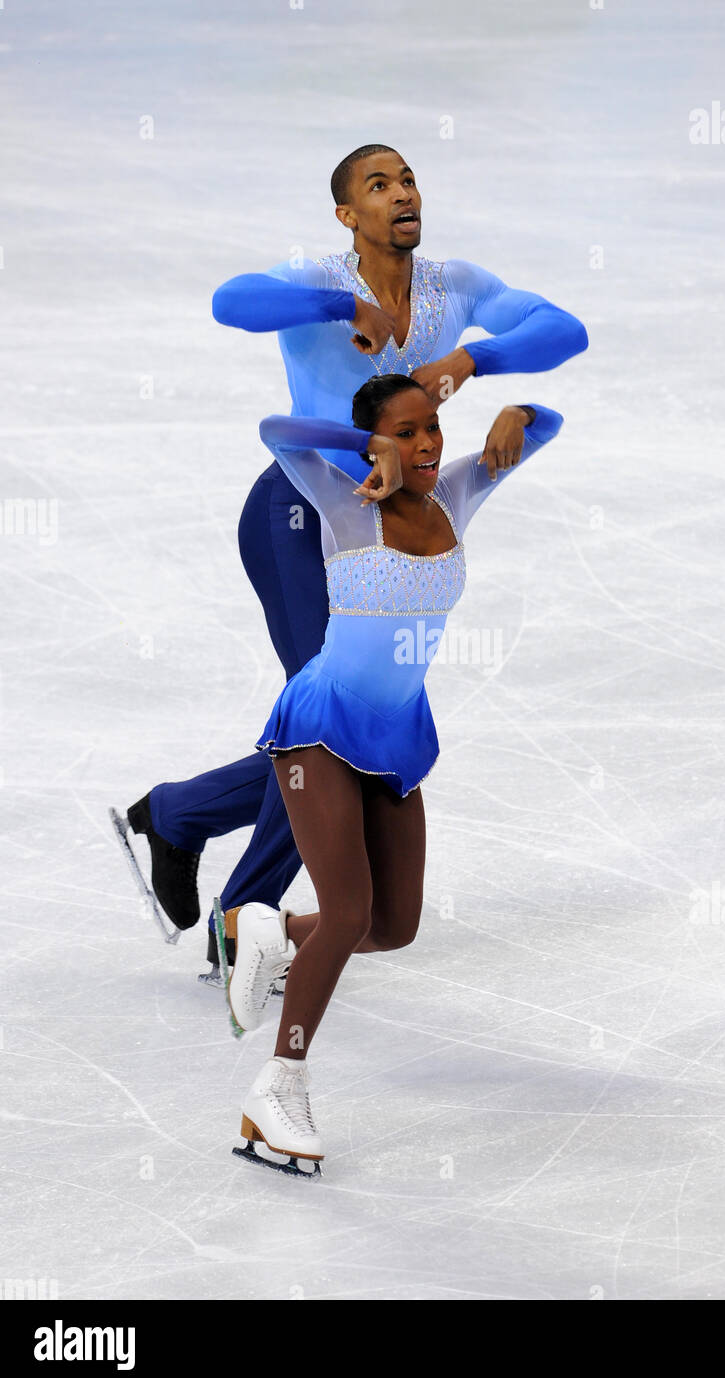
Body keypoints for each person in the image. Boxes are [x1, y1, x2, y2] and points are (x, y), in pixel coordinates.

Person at [115, 144, 586, 980]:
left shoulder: (457, 288)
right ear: (348, 215)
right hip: (301, 515)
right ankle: (243, 922)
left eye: (407, 179)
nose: (401, 192)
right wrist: (338, 304)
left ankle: (179, 816)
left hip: (383, 540)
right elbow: (231, 301)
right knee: (327, 735)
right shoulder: (313, 277)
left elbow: (562, 329)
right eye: (378, 185)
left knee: (342, 726)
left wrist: (471, 361)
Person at [220, 373, 563, 1175]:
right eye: (404, 433)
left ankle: (273, 935)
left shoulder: (456, 495)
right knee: (347, 912)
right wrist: (360, 448)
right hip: (319, 726)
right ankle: (278, 1087)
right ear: (377, 440)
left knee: (391, 926)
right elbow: (276, 430)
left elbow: (544, 426)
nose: (424, 444)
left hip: (397, 735)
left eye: (431, 428)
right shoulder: (344, 500)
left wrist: (519, 412)